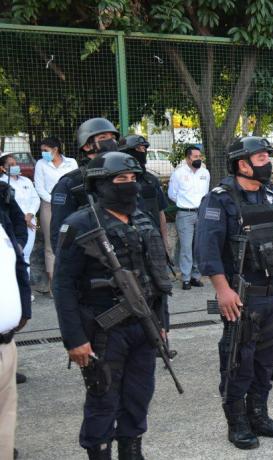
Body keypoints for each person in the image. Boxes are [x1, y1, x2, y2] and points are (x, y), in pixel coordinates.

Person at [53, 152, 172, 459]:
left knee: (139, 395)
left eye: (133, 179)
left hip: (144, 327)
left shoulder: (142, 220)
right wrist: (75, 340)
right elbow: (63, 287)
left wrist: (162, 324)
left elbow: (157, 280)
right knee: (103, 398)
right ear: (100, 184)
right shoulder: (79, 224)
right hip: (103, 331)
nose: (130, 185)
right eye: (121, 179)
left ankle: (132, 451)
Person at [195, 137, 273, 449]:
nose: (268, 163)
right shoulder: (220, 199)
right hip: (242, 297)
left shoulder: (270, 195)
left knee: (265, 362)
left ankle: (259, 415)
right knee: (239, 360)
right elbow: (207, 249)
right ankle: (237, 423)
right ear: (243, 164)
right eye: (262, 157)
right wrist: (222, 290)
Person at [50, 119, 119, 252]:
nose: (111, 142)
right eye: (103, 138)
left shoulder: (122, 177)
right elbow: (60, 236)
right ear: (87, 146)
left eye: (113, 137)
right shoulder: (70, 184)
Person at [0, 204, 31, 460]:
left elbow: (17, 264)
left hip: (7, 343)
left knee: (6, 417)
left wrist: (24, 310)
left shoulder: (2, 216)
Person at [33, 136, 77, 289]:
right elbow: (39, 188)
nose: (43, 153)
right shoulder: (41, 164)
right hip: (49, 206)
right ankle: (54, 285)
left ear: (55, 149)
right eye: (42, 151)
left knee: (72, 241)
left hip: (70, 205)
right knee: (50, 244)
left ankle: (72, 280)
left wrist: (65, 201)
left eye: (45, 150)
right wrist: (55, 201)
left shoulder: (71, 162)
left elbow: (76, 182)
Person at [167, 145, 210, 290]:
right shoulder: (178, 173)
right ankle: (185, 278)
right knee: (186, 247)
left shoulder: (205, 173)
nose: (199, 159)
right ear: (187, 158)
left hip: (201, 213)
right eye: (195, 157)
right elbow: (172, 194)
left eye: (200, 156)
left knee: (198, 246)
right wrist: (185, 203)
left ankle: (195, 277)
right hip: (185, 214)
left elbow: (206, 192)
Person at [1, 154, 37, 263]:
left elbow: (35, 199)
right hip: (13, 222)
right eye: (11, 164)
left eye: (16, 164)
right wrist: (23, 217)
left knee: (26, 255)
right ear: (3, 168)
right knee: (13, 255)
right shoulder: (2, 184)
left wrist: (30, 214)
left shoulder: (26, 181)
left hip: (30, 221)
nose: (15, 166)